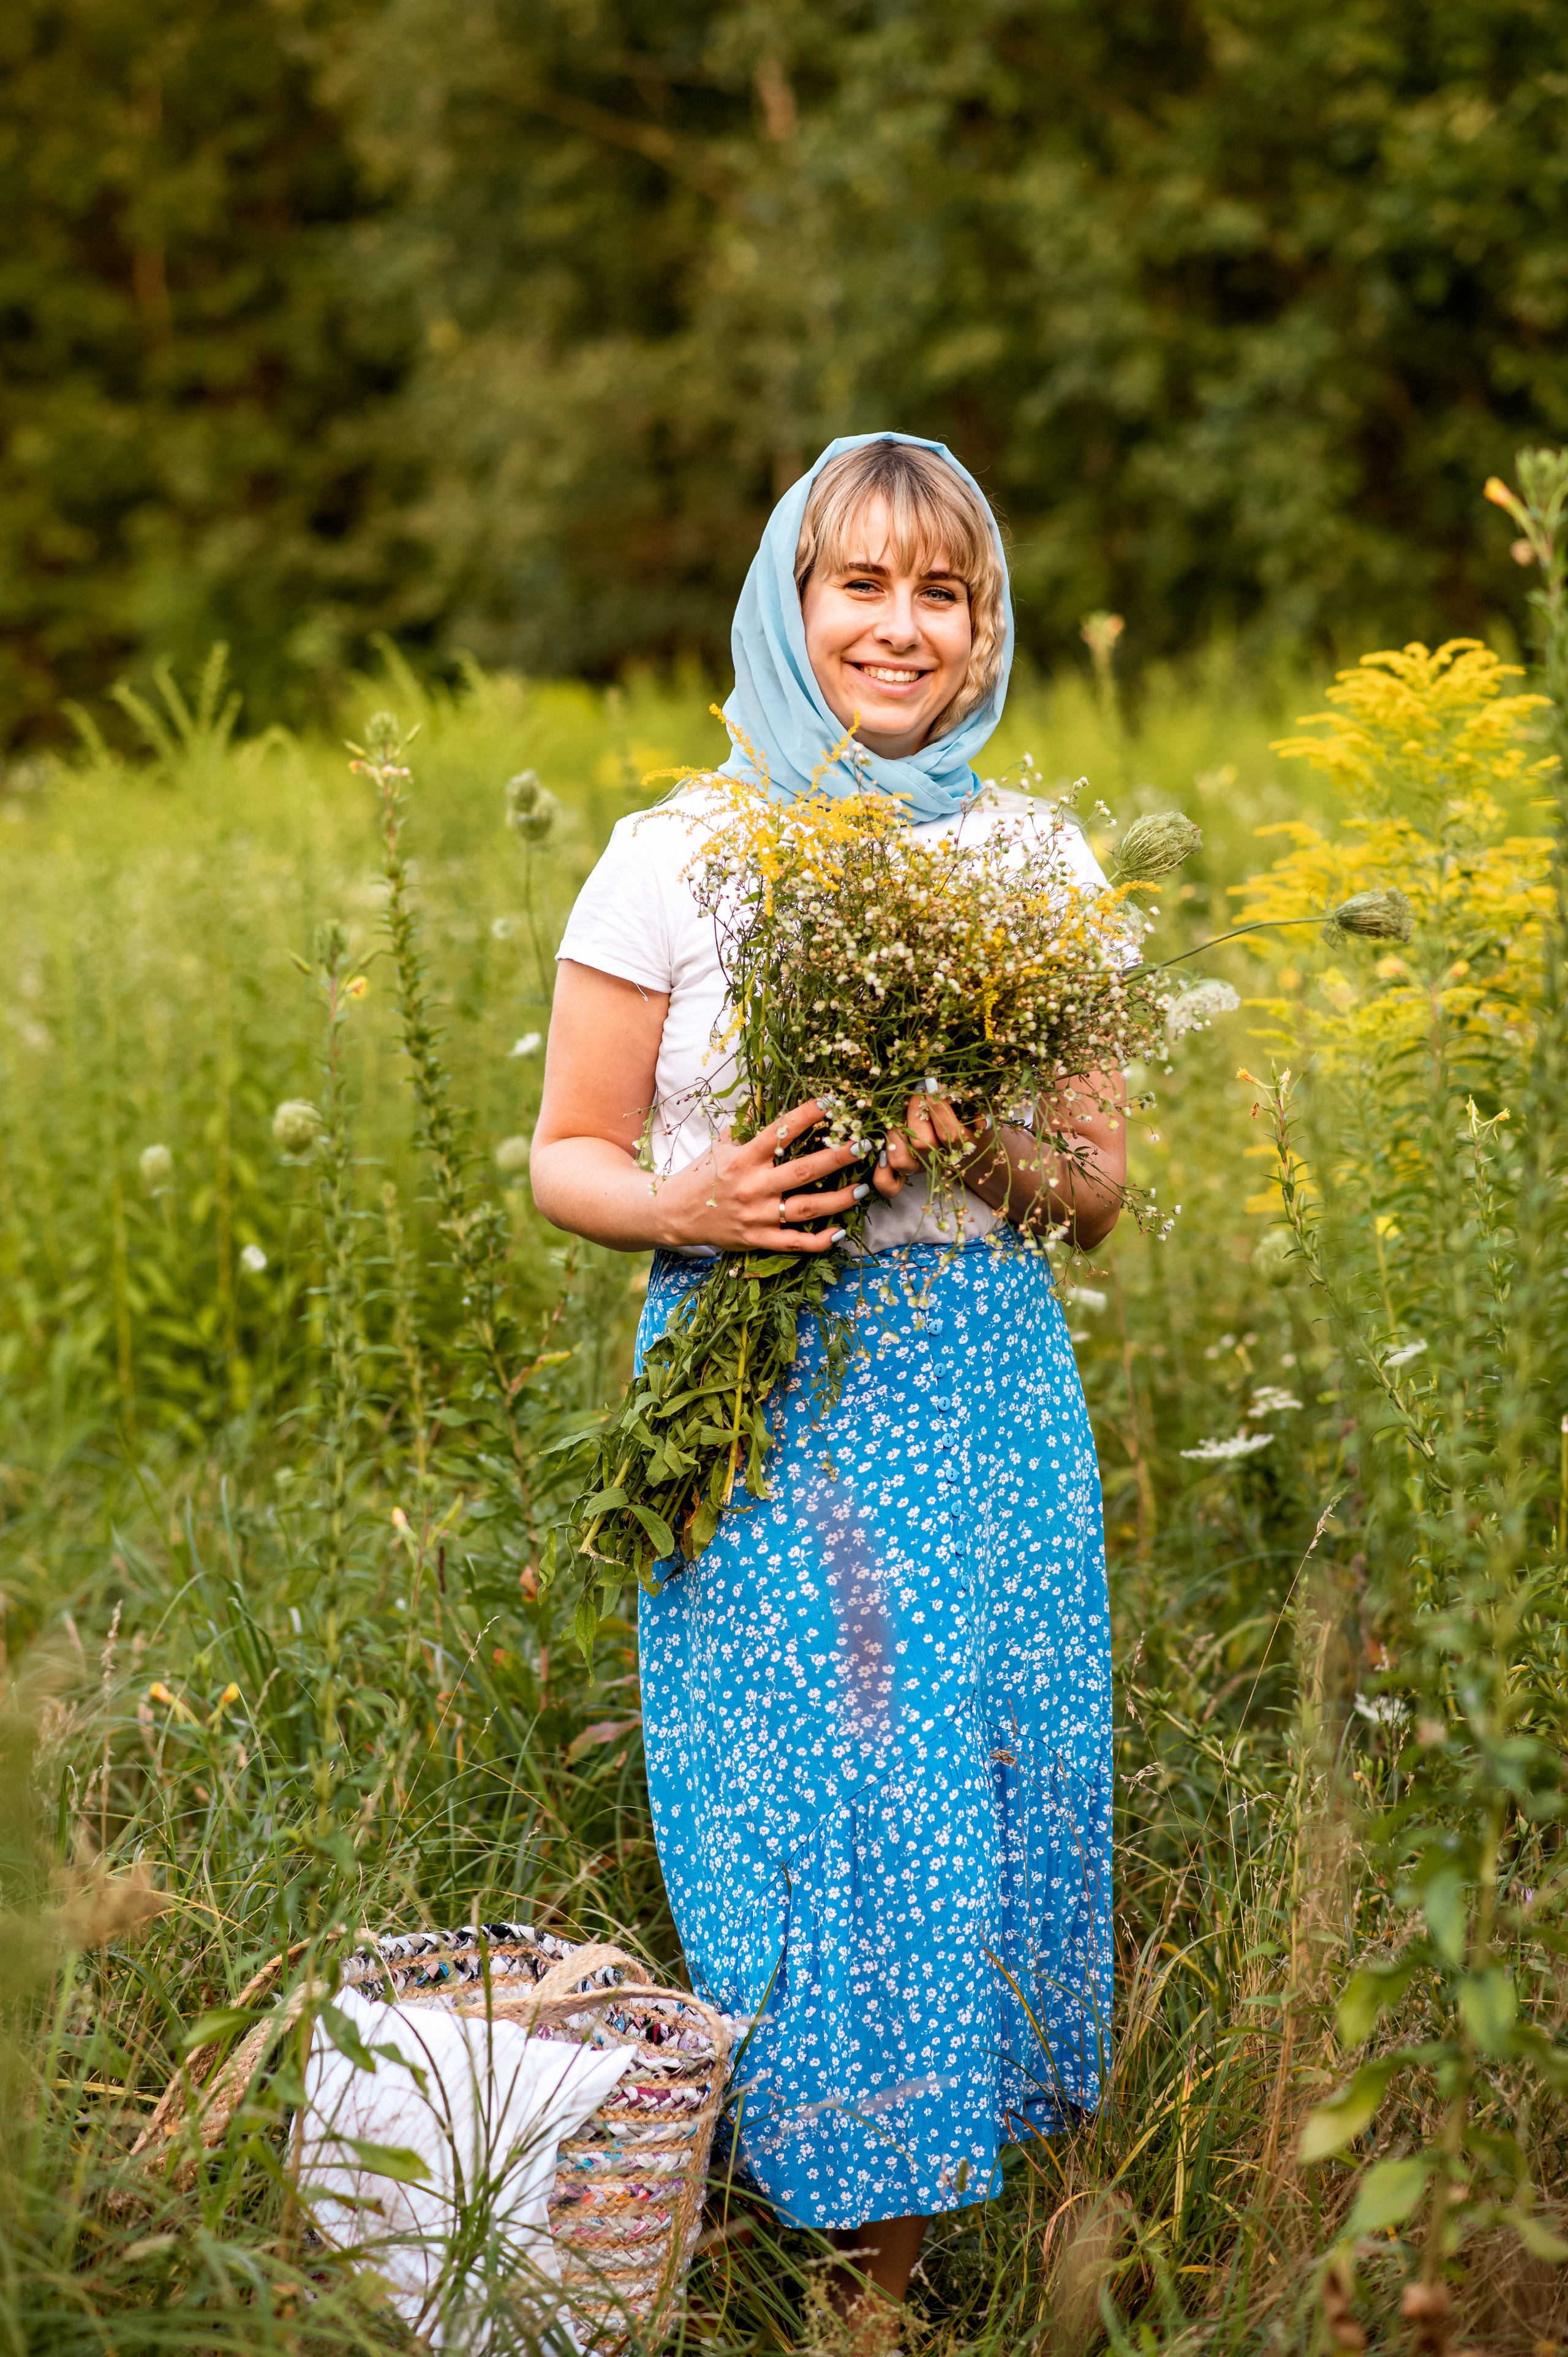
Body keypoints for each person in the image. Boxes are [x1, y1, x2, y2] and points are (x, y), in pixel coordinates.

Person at [530, 433, 1121, 2344]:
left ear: (985, 623)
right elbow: (567, 1155)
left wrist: (987, 1146)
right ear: (793, 605)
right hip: (762, 1386)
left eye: (943, 591)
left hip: (984, 1396)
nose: (903, 625)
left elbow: (1097, 1191)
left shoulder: (1039, 858)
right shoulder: (676, 851)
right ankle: (845, 2253)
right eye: (860, 583)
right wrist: (686, 1200)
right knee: (815, 1804)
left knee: (994, 1778)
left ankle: (950, 2245)